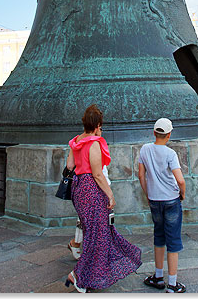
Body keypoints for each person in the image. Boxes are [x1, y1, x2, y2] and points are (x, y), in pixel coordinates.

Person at [65, 104, 142, 293]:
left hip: (78, 189)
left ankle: (86, 275)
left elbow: (69, 166)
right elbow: (98, 174)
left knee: (92, 233)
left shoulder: (75, 141)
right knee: (97, 235)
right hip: (92, 190)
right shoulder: (94, 143)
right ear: (98, 124)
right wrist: (110, 194)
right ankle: (78, 275)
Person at [138, 118, 186, 293]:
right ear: (169, 135)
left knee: (159, 237)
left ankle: (158, 277)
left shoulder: (145, 149)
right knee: (173, 240)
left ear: (154, 133)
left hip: (155, 200)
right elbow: (180, 179)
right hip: (171, 200)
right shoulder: (170, 154)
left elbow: (141, 175)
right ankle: (172, 284)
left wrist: (148, 193)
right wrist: (183, 193)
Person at [68, 164, 111, 260]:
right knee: (92, 219)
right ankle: (88, 250)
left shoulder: (75, 148)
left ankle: (79, 244)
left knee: (87, 218)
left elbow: (69, 164)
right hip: (93, 183)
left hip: (83, 183)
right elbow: (98, 174)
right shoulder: (94, 148)